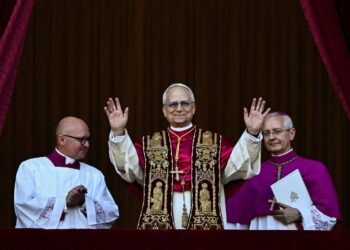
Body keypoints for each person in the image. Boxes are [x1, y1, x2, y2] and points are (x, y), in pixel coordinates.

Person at [104, 83, 270, 229]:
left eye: (185, 103)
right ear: (164, 110)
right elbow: (130, 170)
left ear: (194, 108)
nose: (179, 108)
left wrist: (252, 133)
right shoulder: (148, 145)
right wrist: (118, 132)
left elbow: (239, 166)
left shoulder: (214, 143)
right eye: (173, 104)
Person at [225, 112, 342, 230]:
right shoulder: (254, 173)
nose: (271, 137)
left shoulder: (314, 169)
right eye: (266, 133)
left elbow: (329, 216)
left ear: (291, 134)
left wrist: (300, 214)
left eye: (277, 131)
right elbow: (237, 219)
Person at [14, 116, 120, 229]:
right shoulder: (31, 168)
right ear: (62, 140)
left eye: (88, 139)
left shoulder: (94, 175)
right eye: (81, 140)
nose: (87, 145)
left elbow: (111, 214)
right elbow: (24, 207)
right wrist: (64, 202)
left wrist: (84, 202)